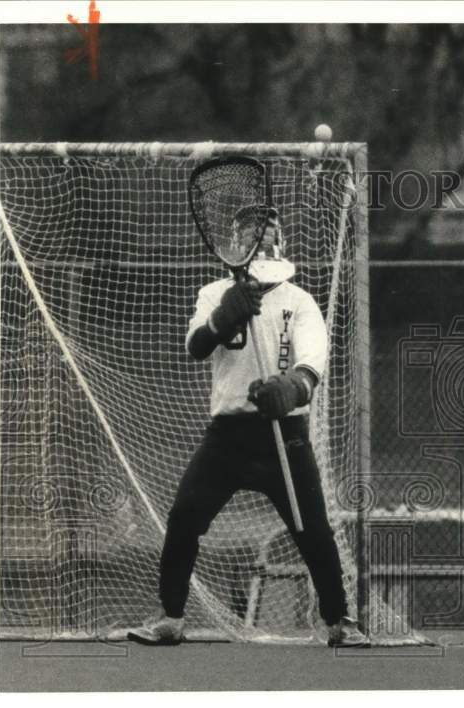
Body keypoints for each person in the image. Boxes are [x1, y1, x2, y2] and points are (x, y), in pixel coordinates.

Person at [128, 206, 366, 647]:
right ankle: (170, 617)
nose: (264, 240)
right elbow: (197, 346)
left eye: (270, 233)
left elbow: (312, 362)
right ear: (235, 244)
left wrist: (290, 388)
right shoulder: (213, 292)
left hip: (284, 435)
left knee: (312, 529)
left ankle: (340, 622)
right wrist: (223, 319)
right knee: (184, 518)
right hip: (228, 436)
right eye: (255, 234)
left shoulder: (298, 301)